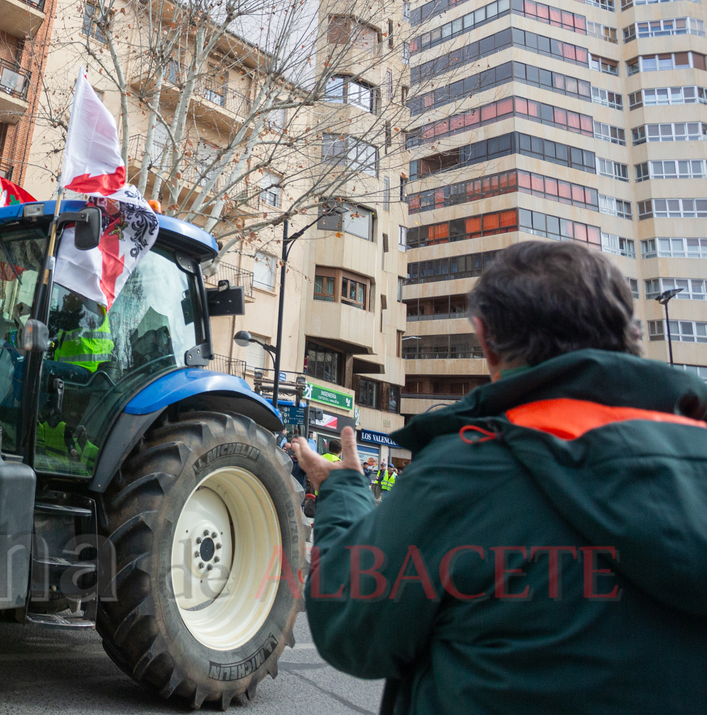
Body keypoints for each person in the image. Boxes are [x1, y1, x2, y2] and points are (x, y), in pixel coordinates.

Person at [291, 240, 707, 714]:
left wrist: (343, 488)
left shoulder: (465, 474)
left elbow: (350, 626)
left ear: (485, 339)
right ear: (629, 333)